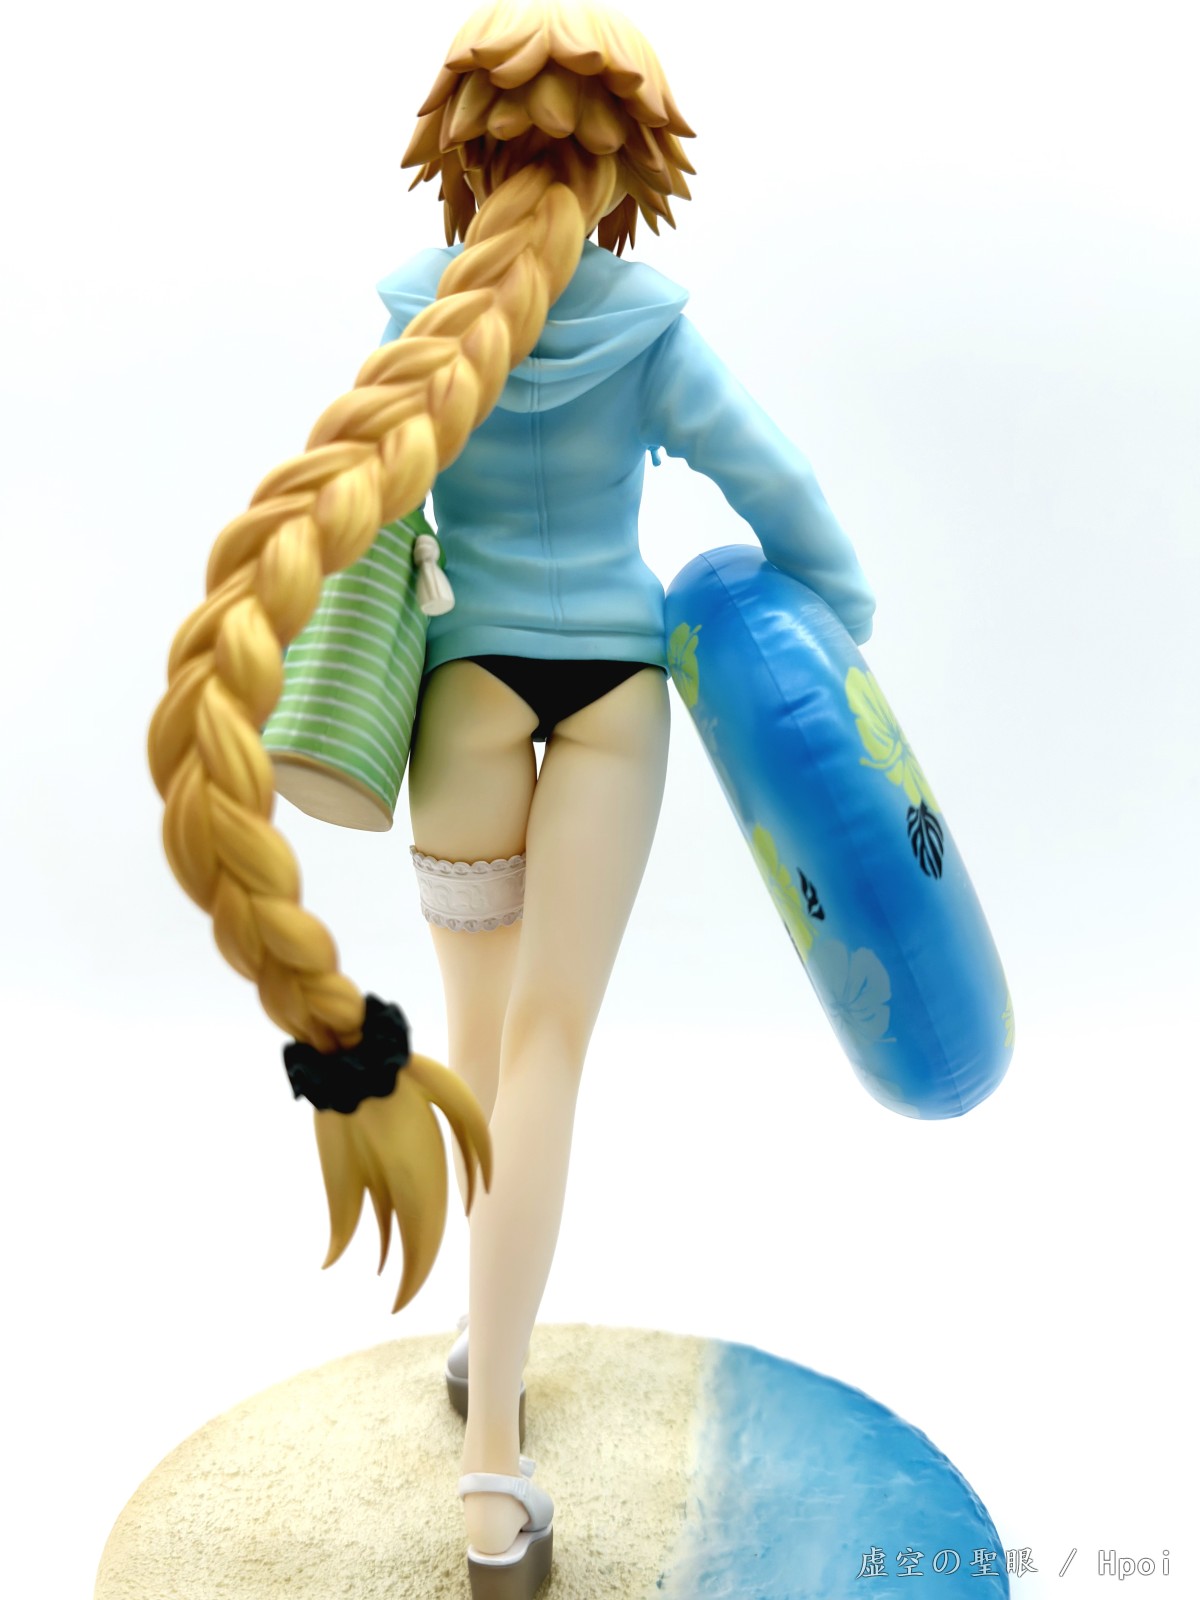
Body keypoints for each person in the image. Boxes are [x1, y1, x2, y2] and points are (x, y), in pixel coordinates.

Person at [150, 4, 874, 1594]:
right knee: (546, 1055)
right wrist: (835, 637)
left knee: (484, 1050)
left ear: (461, 159)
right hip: (612, 698)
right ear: (625, 167)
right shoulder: (648, 330)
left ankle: (491, 1355)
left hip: (466, 704)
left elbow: (352, 512)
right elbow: (785, 488)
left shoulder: (415, 321)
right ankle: (492, 1477)